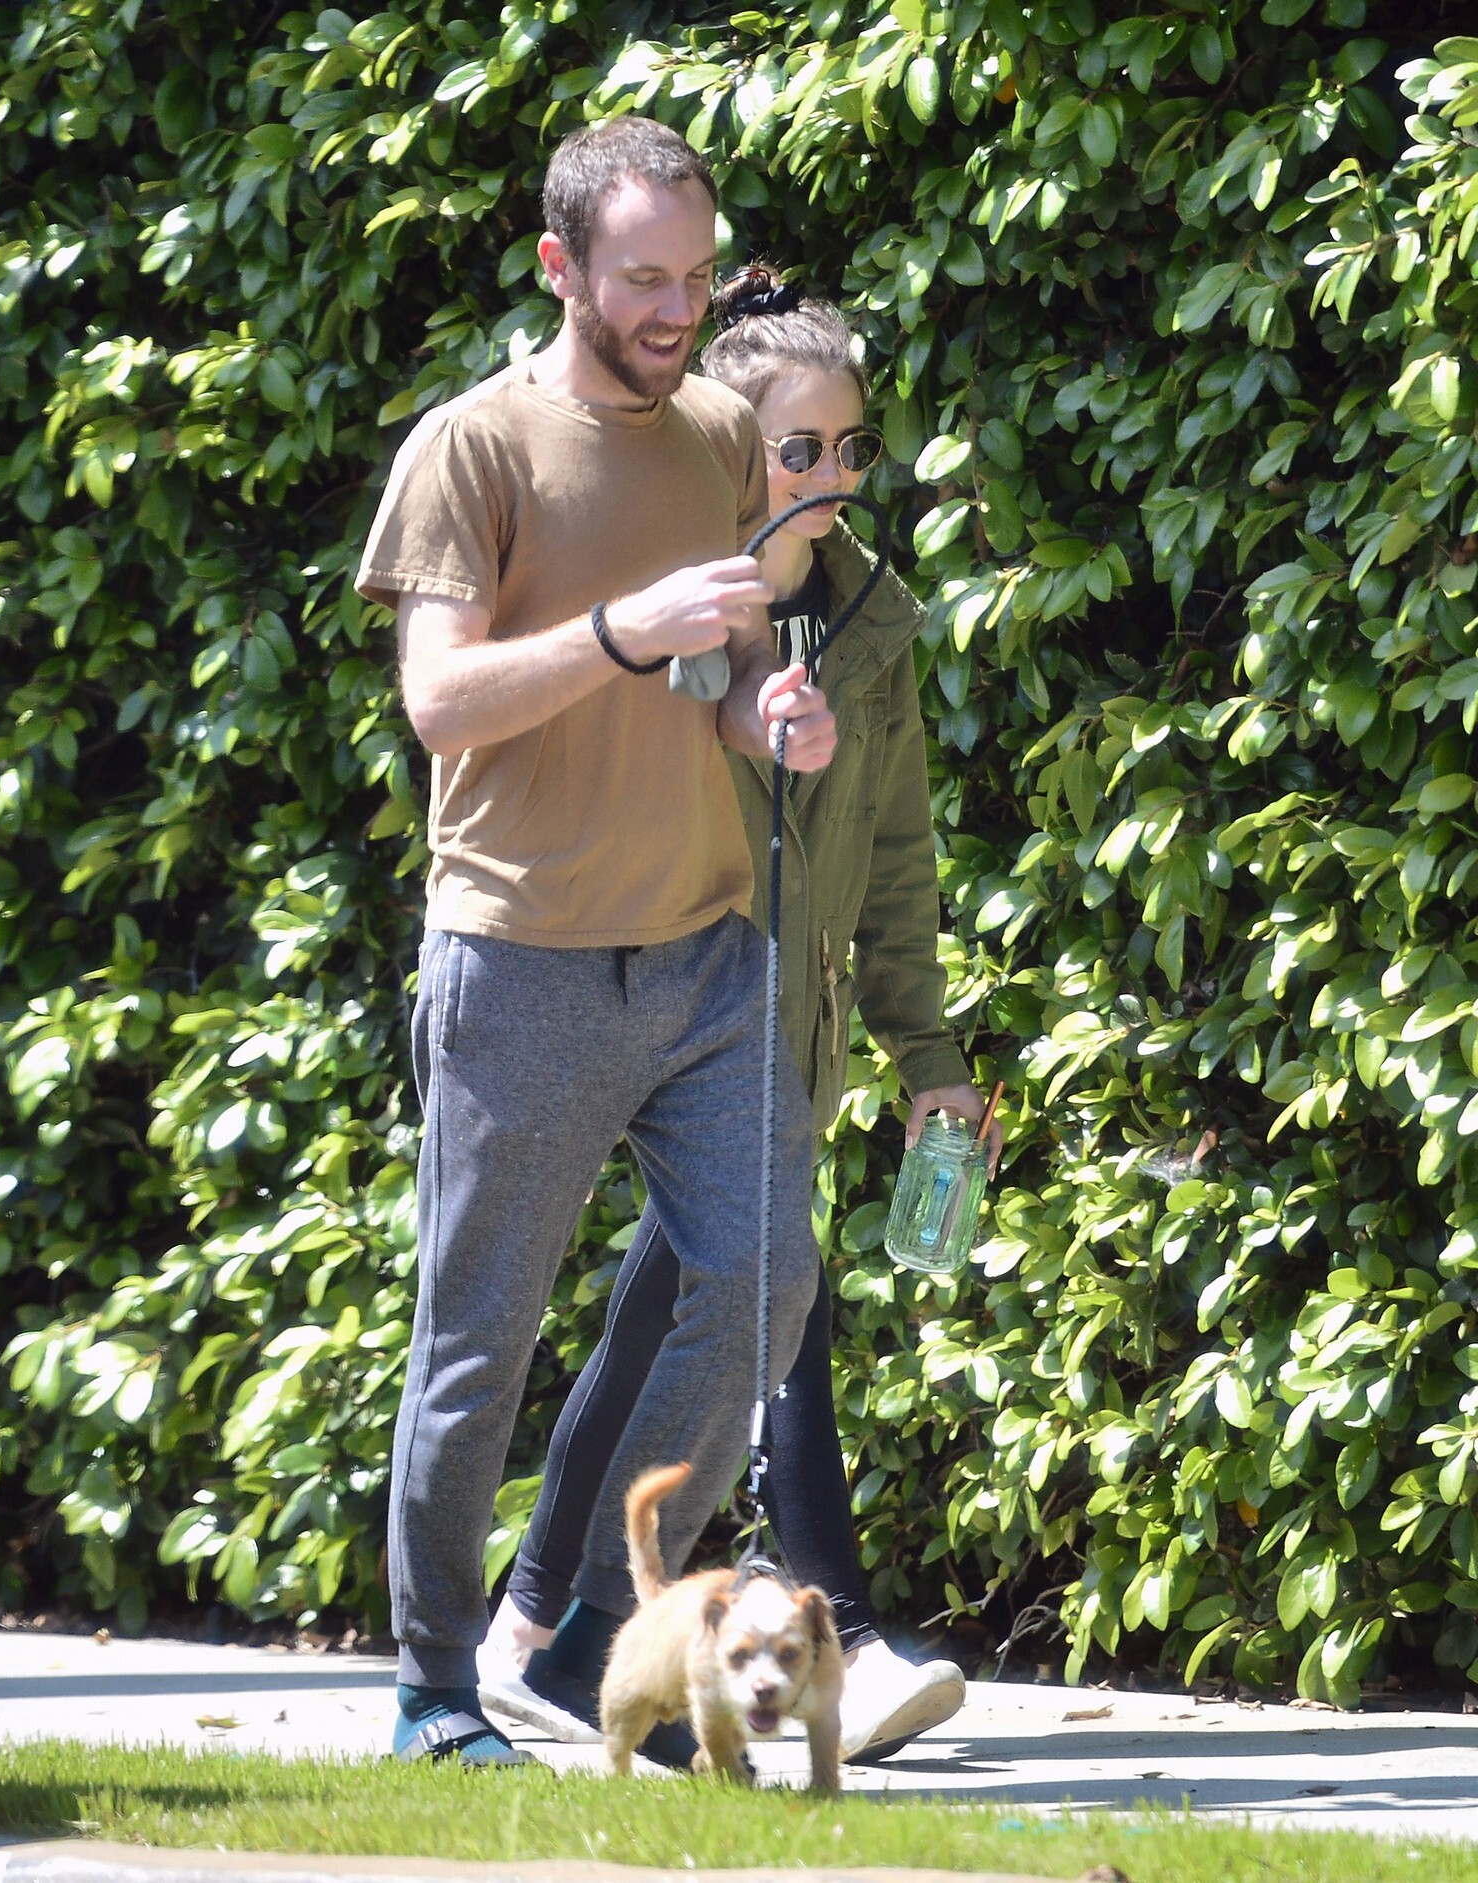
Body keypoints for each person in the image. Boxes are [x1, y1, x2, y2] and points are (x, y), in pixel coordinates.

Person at [354, 133, 839, 1767]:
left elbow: (734, 668)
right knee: (476, 1347)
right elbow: (441, 702)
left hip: (705, 957)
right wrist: (621, 633)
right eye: (643, 280)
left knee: (766, 1285)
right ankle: (435, 1686)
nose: (678, 311)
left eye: (697, 277)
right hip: (522, 965)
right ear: (559, 267)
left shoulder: (719, 435)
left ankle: (584, 1647)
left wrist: (777, 717)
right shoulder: (470, 447)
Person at [479, 265, 1003, 1765]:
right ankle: (847, 1629)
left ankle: (538, 1626)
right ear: (728, 450)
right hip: (683, 1018)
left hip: (794, 1030)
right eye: (798, 449)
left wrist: (930, 1057)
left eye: (852, 448)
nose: (830, 477)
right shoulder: (676, 608)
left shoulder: (874, 622)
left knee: (676, 1305)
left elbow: (895, 857)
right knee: (781, 1289)